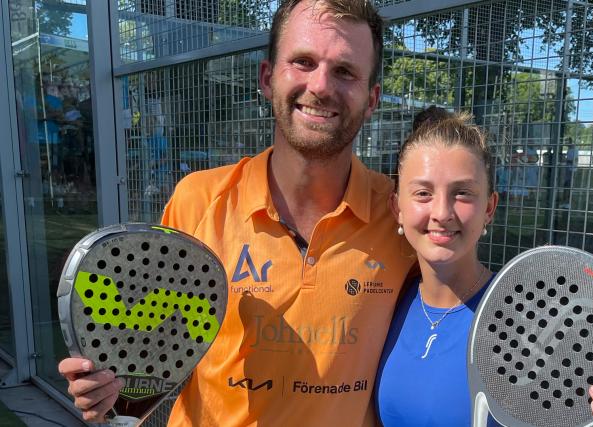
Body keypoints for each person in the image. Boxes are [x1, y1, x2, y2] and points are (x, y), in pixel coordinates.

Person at [58, 1, 418, 425]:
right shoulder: (197, 200)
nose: (320, 86)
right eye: (303, 62)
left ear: (372, 98)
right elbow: (147, 349)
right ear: (267, 77)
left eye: (345, 71)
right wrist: (109, 388)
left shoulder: (403, 218)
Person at [375, 113, 593, 427]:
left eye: (463, 193)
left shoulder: (536, 320)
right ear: (397, 208)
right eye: (423, 193)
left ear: (489, 208)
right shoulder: (385, 303)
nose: (442, 212)